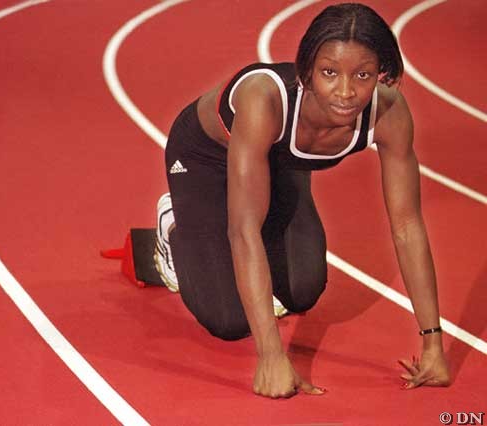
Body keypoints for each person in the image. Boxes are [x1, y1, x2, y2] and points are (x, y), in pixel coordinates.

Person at [151, 2, 451, 398]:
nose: (345, 92)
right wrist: (271, 355)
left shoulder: (389, 112)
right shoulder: (265, 100)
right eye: (329, 73)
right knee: (229, 320)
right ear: (307, 69)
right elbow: (243, 229)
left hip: (276, 162)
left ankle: (253, 219)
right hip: (206, 159)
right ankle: (174, 227)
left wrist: (433, 344)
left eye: (362, 75)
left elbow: (407, 225)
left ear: (381, 73)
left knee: (303, 291)